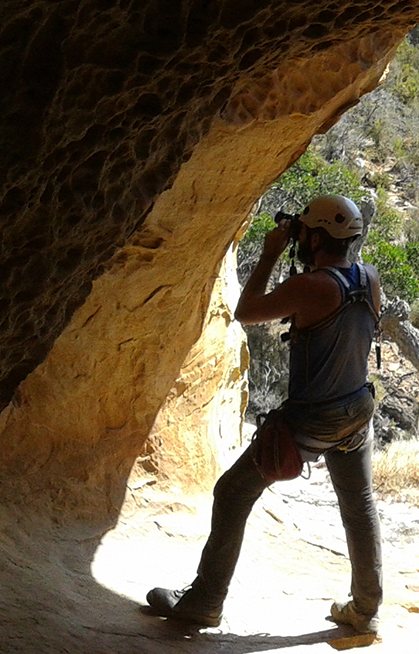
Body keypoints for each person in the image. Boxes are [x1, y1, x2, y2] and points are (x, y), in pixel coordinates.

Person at [145, 194, 385, 633]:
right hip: (357, 410)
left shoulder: (312, 287)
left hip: (312, 420)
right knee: (359, 504)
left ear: (313, 236)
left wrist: (272, 252)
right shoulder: (368, 278)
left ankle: (204, 600)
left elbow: (246, 310)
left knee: (233, 493)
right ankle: (365, 609)